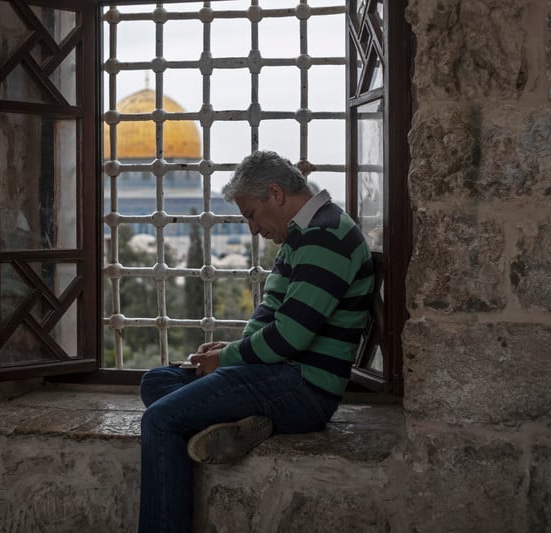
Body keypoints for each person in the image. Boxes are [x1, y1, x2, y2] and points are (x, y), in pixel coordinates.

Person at [137, 150, 375, 533]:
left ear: (276, 194)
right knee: (157, 382)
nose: (251, 228)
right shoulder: (299, 236)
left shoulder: (326, 236)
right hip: (277, 375)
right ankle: (252, 423)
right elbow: (271, 318)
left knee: (161, 420)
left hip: (303, 387)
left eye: (250, 214)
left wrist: (229, 359)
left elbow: (290, 337)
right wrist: (225, 354)